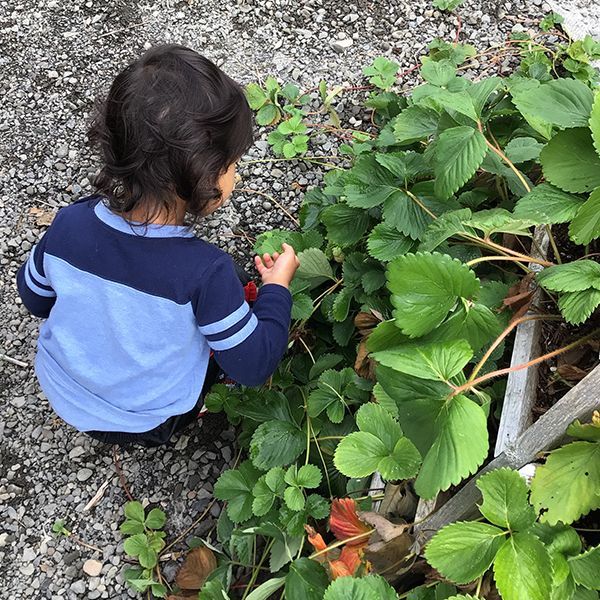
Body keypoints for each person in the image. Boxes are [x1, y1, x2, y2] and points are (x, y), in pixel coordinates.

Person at [16, 44, 299, 447]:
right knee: (234, 309)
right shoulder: (205, 272)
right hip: (149, 419)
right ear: (206, 175)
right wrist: (276, 290)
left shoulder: (68, 226)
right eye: (233, 163)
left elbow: (36, 299)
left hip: (63, 391)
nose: (235, 173)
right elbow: (254, 363)